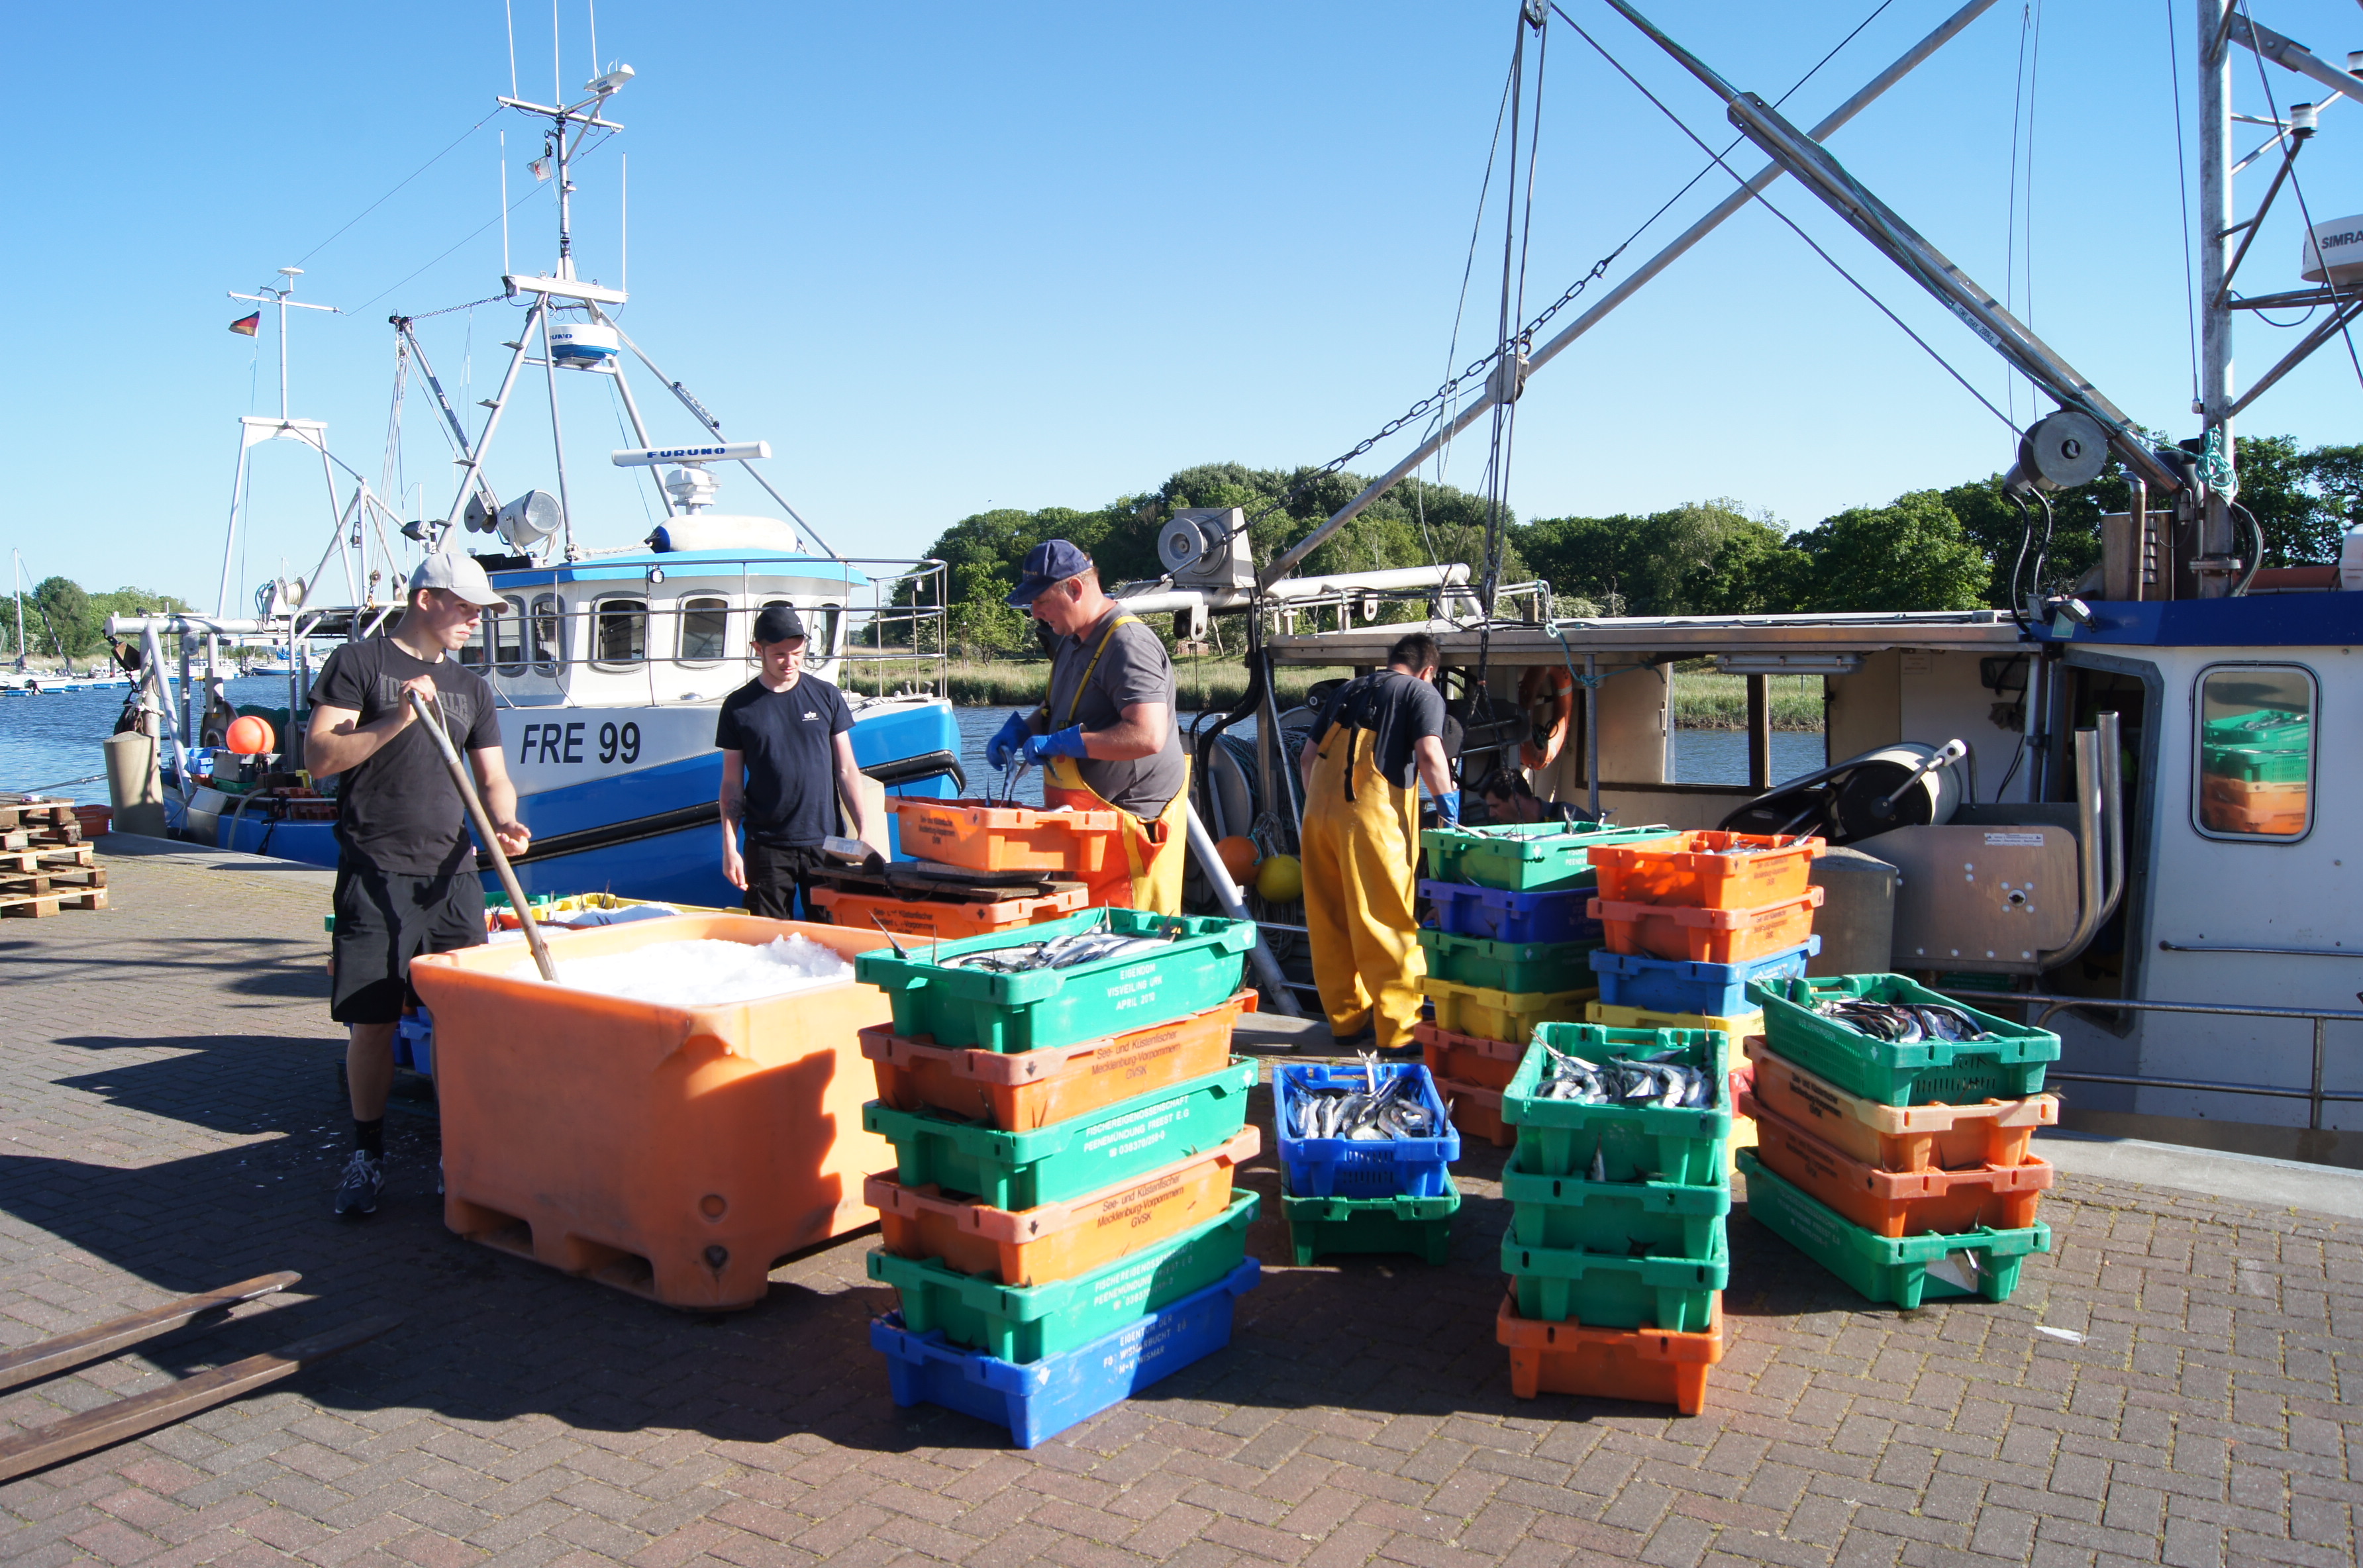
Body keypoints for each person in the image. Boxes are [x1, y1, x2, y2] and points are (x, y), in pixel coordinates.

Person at [306, 552, 529, 1219]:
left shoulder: (470, 685)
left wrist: (507, 819)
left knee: (466, 1025)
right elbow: (319, 758)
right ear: (427, 598)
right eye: (465, 606)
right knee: (372, 1025)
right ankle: (367, 1154)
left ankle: (460, 1153)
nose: (474, 620)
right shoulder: (360, 665)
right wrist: (397, 719)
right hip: (375, 871)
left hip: (451, 876)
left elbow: (491, 775)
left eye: (479, 611)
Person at [983, 540, 1190, 914]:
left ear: (1075, 590)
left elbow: (1148, 735)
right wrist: (1020, 732)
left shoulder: (1128, 643)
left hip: (1128, 834)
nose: (1034, 613)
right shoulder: (1072, 640)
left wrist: (1064, 743)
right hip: (1087, 832)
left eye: (1041, 601)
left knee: (1127, 952)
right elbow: (1054, 710)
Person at [1296, 634, 1458, 1053]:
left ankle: (1346, 1022)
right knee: (1386, 921)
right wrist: (1449, 811)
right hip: (1371, 822)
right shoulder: (1421, 692)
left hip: (1316, 818)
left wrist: (1318, 809)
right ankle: (1399, 1033)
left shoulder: (1347, 690)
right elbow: (1430, 754)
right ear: (1429, 671)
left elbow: (1307, 759)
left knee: (1330, 921)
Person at [717, 604, 883, 918]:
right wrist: (730, 847)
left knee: (830, 937)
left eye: (797, 653)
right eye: (779, 654)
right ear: (758, 650)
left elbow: (847, 769)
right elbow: (731, 784)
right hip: (766, 844)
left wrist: (864, 830)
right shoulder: (738, 707)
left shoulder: (826, 695)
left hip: (827, 841)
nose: (790, 662)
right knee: (768, 942)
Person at [1475, 765, 1602, 827]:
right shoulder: (1507, 830)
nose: (1491, 814)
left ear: (1515, 798)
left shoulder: (1566, 815)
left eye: (1495, 806)